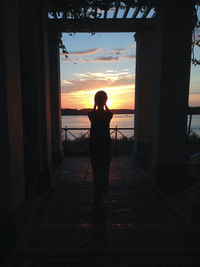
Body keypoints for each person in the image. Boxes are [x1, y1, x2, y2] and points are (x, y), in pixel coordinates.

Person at [88, 91, 113, 206]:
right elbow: (109, 112)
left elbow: (92, 112)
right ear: (106, 100)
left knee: (96, 170)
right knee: (105, 170)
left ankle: (97, 193)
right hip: (106, 145)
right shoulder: (109, 115)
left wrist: (95, 105)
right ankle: (104, 193)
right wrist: (105, 105)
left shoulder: (91, 115)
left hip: (94, 145)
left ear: (95, 100)